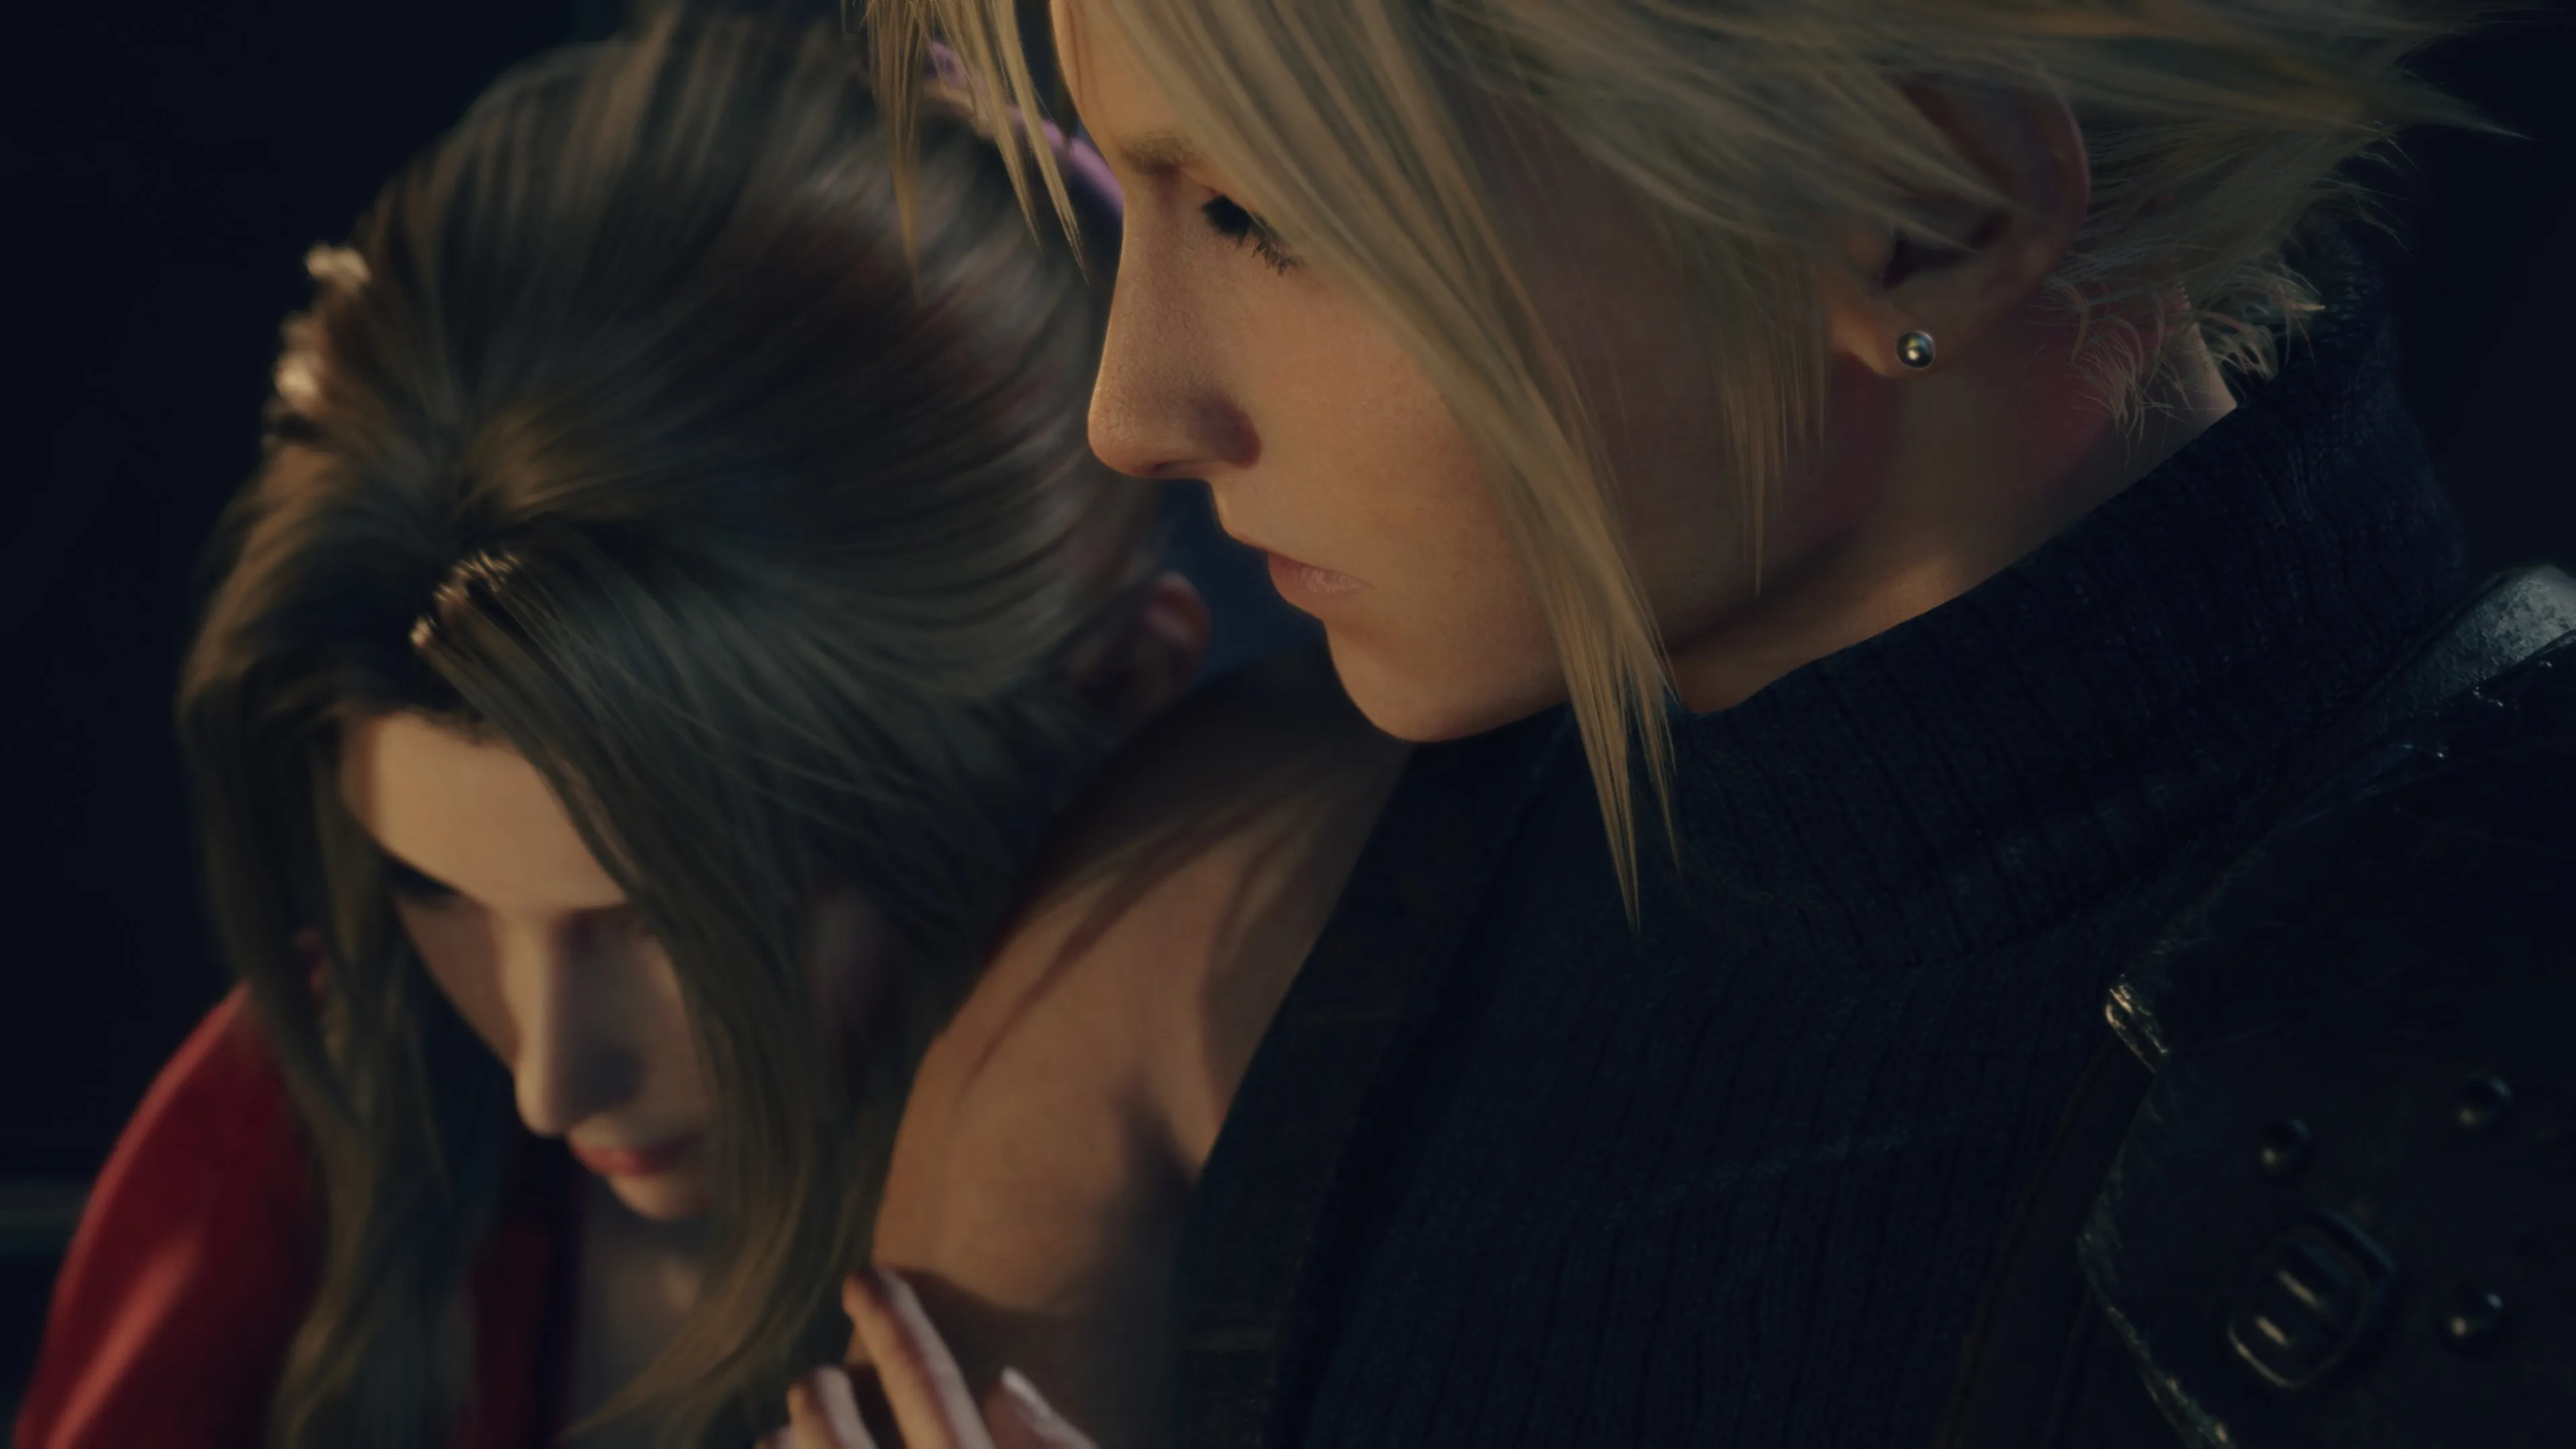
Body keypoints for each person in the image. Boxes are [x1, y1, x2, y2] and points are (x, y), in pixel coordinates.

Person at [796, 0, 2576, 1445]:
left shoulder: (2487, 1106)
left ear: (1925, 210)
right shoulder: (1302, 874)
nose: (1132, 411)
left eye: (1267, 219)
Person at [12, 15, 1216, 1449]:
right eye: (435, 888)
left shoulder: (1277, 1206)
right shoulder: (324, 1112)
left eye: (666, 921)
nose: (549, 1078)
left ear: (1114, 701)